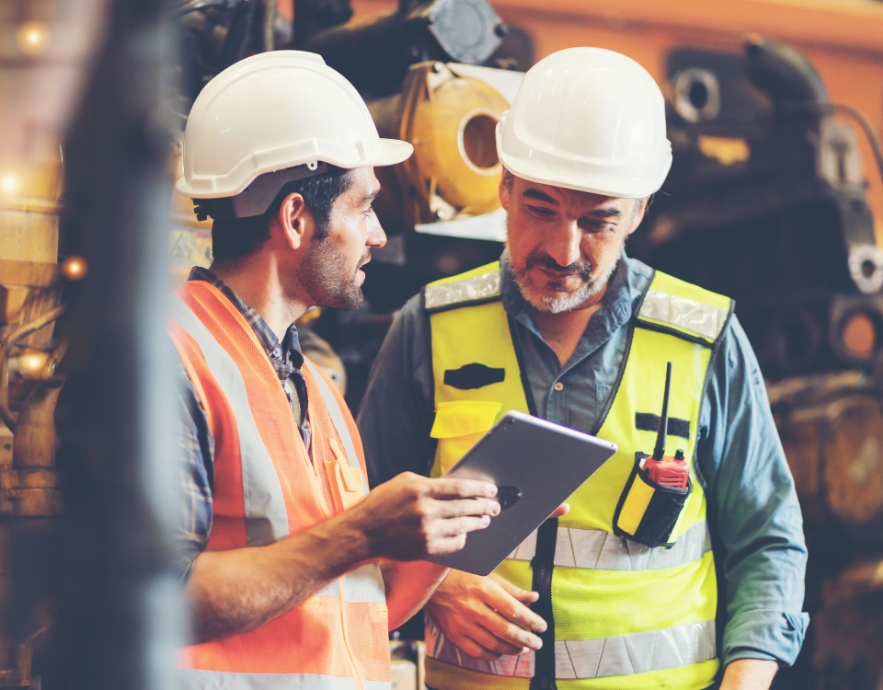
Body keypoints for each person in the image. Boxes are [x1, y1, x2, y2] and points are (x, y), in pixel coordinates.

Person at [358, 47, 808, 690]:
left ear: (640, 211)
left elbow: (769, 541)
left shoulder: (704, 341)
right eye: (540, 207)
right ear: (505, 184)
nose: (562, 251)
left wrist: (746, 680)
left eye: (597, 220)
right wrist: (435, 589)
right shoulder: (427, 328)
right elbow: (356, 519)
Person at [167, 50, 523, 689]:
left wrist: (456, 532)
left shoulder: (318, 393)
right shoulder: (172, 354)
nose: (379, 236)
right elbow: (157, 601)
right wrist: (358, 533)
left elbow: (359, 608)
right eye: (365, 208)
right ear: (297, 218)